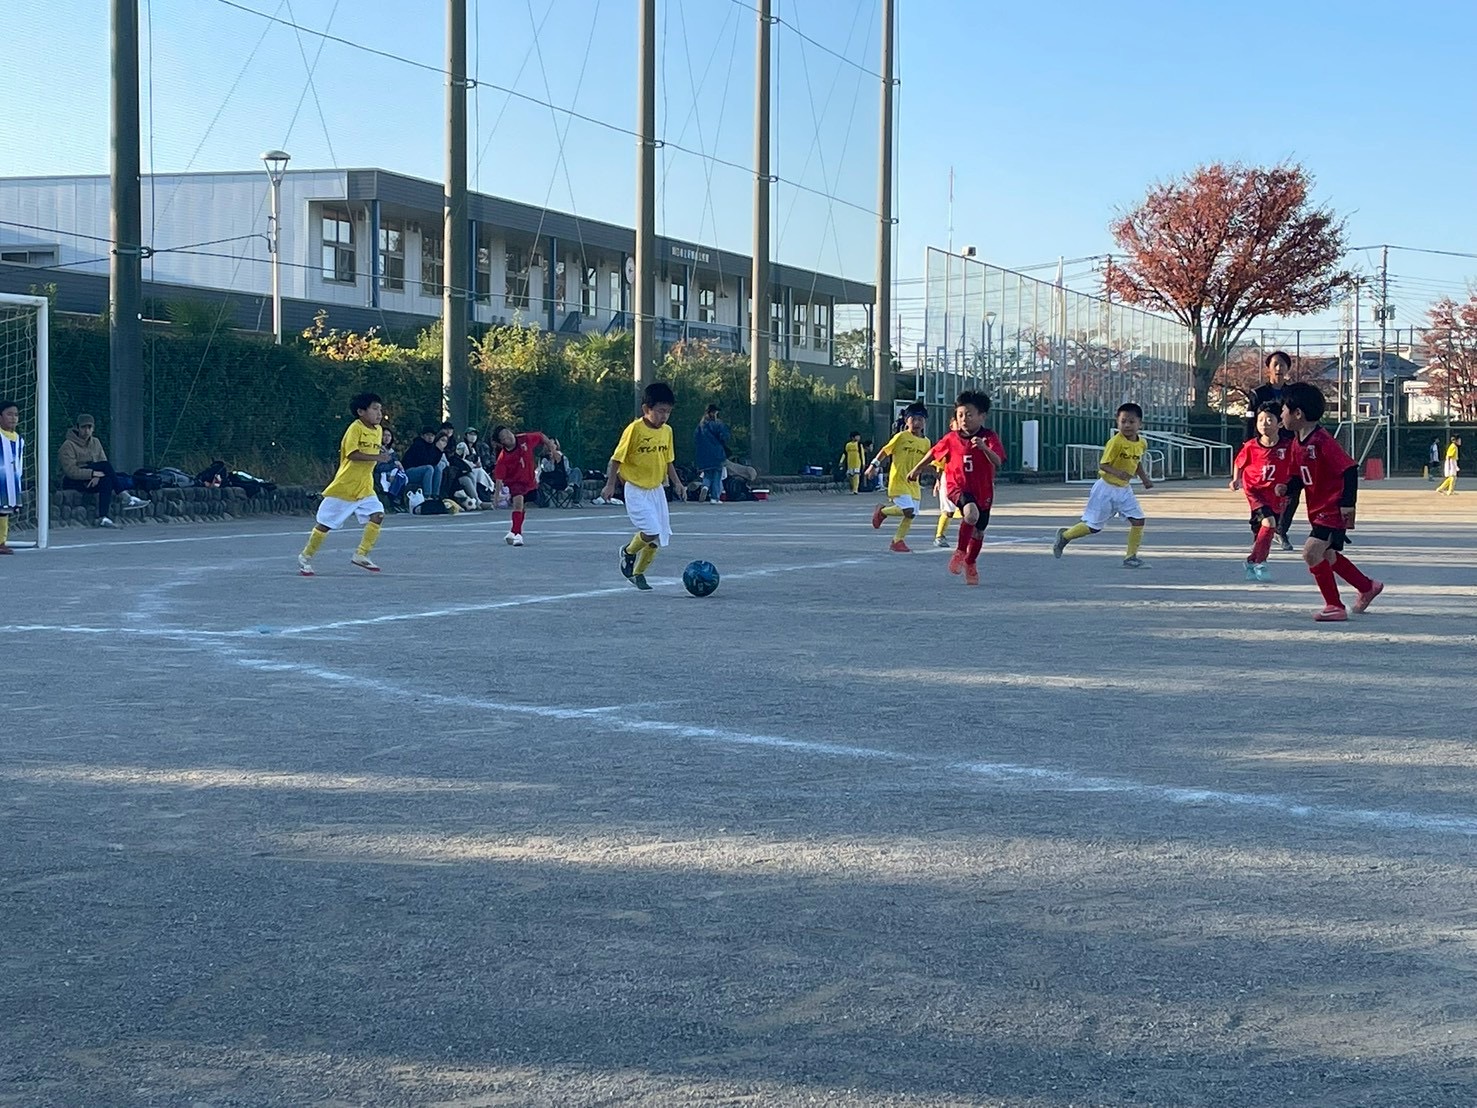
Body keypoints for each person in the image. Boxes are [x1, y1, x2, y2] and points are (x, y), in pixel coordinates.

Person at [1279, 381, 1383, 622]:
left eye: (1284, 409)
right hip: (1318, 510)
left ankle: (1334, 605)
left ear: (1297, 413)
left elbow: (1349, 469)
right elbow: (1299, 477)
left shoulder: (1322, 441)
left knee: (1311, 553)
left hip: (1332, 508)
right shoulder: (1297, 443)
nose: (1281, 414)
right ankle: (1367, 586)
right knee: (1327, 555)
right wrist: (1287, 487)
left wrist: (1348, 504)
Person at [907, 391, 1005, 586]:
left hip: (983, 491)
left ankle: (970, 562)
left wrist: (984, 448)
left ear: (982, 416)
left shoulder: (989, 437)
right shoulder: (951, 438)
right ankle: (960, 551)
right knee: (971, 514)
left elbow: (998, 461)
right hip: (957, 486)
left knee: (978, 532)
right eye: (960, 415)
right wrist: (917, 468)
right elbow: (933, 453)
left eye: (969, 415)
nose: (964, 419)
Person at [602, 381, 686, 591]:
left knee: (659, 537)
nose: (664, 416)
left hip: (656, 490)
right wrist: (610, 485)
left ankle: (638, 573)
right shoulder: (634, 429)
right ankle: (628, 552)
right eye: (660, 411)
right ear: (646, 409)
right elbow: (617, 459)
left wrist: (677, 483)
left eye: (668, 412)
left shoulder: (667, 431)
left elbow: (668, 461)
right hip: (636, 489)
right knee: (651, 529)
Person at [298, 392, 391, 576]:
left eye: (380, 409)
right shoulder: (355, 428)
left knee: (378, 515)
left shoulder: (378, 430)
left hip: (365, 487)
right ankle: (305, 556)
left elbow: (373, 449)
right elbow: (352, 454)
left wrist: (380, 452)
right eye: (374, 409)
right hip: (345, 486)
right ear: (361, 412)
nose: (379, 413)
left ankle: (361, 554)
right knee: (325, 524)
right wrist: (377, 457)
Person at [1052, 402, 1153, 568]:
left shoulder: (1142, 443)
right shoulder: (1115, 442)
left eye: (1131, 421)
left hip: (1124, 490)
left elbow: (1137, 462)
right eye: (1123, 421)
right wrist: (1117, 473)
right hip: (1106, 489)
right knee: (1093, 527)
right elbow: (1103, 465)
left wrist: (1145, 479)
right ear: (1117, 422)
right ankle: (1065, 536)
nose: (1127, 425)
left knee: (1138, 520)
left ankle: (1131, 557)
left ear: (1140, 424)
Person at [1230, 401, 1295, 581]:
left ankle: (1252, 560)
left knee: (1266, 529)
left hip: (1275, 494)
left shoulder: (1288, 446)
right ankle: (1261, 563)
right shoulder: (1251, 446)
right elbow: (1239, 463)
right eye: (1260, 420)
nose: (1264, 424)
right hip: (1255, 491)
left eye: (1269, 420)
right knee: (1269, 522)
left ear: (1280, 423)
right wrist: (1236, 479)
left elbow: (1297, 465)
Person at [57, 413, 148, 528]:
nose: (86, 431)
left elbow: (102, 462)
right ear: (77, 427)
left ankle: (103, 517)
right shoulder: (68, 445)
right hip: (72, 480)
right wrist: (91, 474)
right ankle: (125, 496)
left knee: (107, 481)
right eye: (83, 427)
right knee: (105, 466)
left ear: (93, 429)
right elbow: (71, 471)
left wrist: (96, 476)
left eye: (89, 427)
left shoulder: (95, 442)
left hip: (92, 478)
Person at [865, 402, 932, 553]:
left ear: (924, 422)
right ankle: (882, 512)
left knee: (911, 514)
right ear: (907, 420)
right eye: (913, 419)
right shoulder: (901, 437)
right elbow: (885, 451)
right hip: (899, 481)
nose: (917, 423)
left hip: (913, 484)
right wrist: (873, 466)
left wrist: (938, 474)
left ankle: (897, 541)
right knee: (908, 510)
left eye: (920, 419)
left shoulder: (926, 442)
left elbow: (927, 462)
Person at [492, 423, 561, 545]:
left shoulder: (524, 439)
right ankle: (518, 535)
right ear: (502, 442)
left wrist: (552, 449)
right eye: (504, 437)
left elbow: (540, 436)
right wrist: (496, 496)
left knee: (523, 507)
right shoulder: (503, 458)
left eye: (508, 432)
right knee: (518, 504)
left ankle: (513, 531)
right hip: (515, 483)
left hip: (529, 481)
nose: (509, 437)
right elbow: (499, 479)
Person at [931, 414, 960, 548]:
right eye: (957, 422)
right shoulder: (948, 441)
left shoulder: (971, 441)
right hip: (949, 480)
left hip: (966, 480)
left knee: (971, 510)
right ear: (951, 426)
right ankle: (939, 536)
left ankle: (970, 536)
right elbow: (939, 463)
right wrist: (938, 481)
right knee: (949, 511)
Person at [694, 404, 731, 504]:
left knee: (707, 475)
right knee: (717, 476)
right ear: (714, 413)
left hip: (704, 455)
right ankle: (715, 498)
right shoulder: (717, 424)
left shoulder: (700, 426)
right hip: (717, 454)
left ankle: (705, 486)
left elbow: (696, 439)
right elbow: (724, 437)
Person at [0, 399, 23, 554]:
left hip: (10, 483)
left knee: (4, 512)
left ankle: (1, 542)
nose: (13, 418)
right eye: (9, 414)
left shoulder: (18, 439)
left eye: (16, 414)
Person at [401, 428, 443, 501]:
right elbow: (423, 461)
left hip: (422, 470)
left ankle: (435, 495)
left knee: (437, 469)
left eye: (432, 436)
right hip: (409, 471)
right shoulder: (418, 444)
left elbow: (434, 463)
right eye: (428, 435)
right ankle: (427, 495)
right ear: (423, 436)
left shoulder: (432, 447)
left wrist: (439, 451)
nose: (430, 437)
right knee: (429, 468)